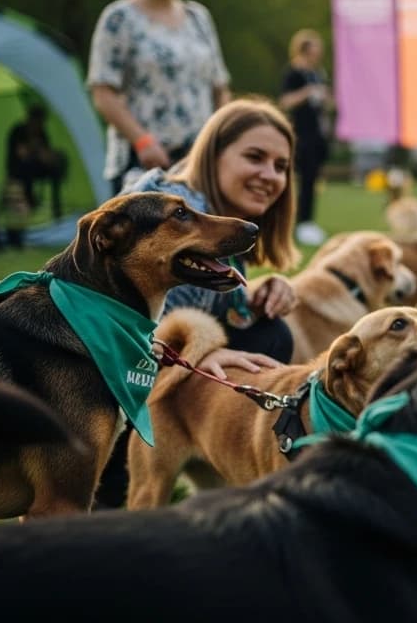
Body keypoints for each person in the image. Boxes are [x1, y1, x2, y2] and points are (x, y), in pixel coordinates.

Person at [96, 99, 299, 509]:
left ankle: (219, 467)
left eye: (281, 166)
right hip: (100, 382)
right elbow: (119, 320)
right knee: (266, 342)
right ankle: (111, 479)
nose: (270, 175)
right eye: (255, 157)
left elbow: (202, 300)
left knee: (270, 333)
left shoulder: (216, 219)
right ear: (212, 154)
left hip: (150, 375)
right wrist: (197, 356)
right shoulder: (168, 211)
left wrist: (258, 292)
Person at [88, 0, 231, 194]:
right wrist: (143, 141)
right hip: (143, 161)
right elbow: (103, 93)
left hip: (197, 161)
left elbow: (220, 87)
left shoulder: (199, 18)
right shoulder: (119, 18)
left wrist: (218, 141)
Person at [278, 28, 332, 246]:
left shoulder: (318, 73)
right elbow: (285, 101)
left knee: (311, 179)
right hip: (300, 134)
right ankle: (293, 222)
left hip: (317, 134)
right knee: (294, 179)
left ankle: (307, 221)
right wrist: (307, 92)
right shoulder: (294, 74)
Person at [5, 99, 68, 222]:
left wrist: (51, 157)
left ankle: (56, 208)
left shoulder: (42, 133)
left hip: (36, 165)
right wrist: (35, 148)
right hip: (18, 168)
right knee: (27, 168)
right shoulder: (18, 131)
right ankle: (29, 204)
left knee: (55, 170)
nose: (39, 124)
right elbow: (22, 154)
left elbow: (45, 154)